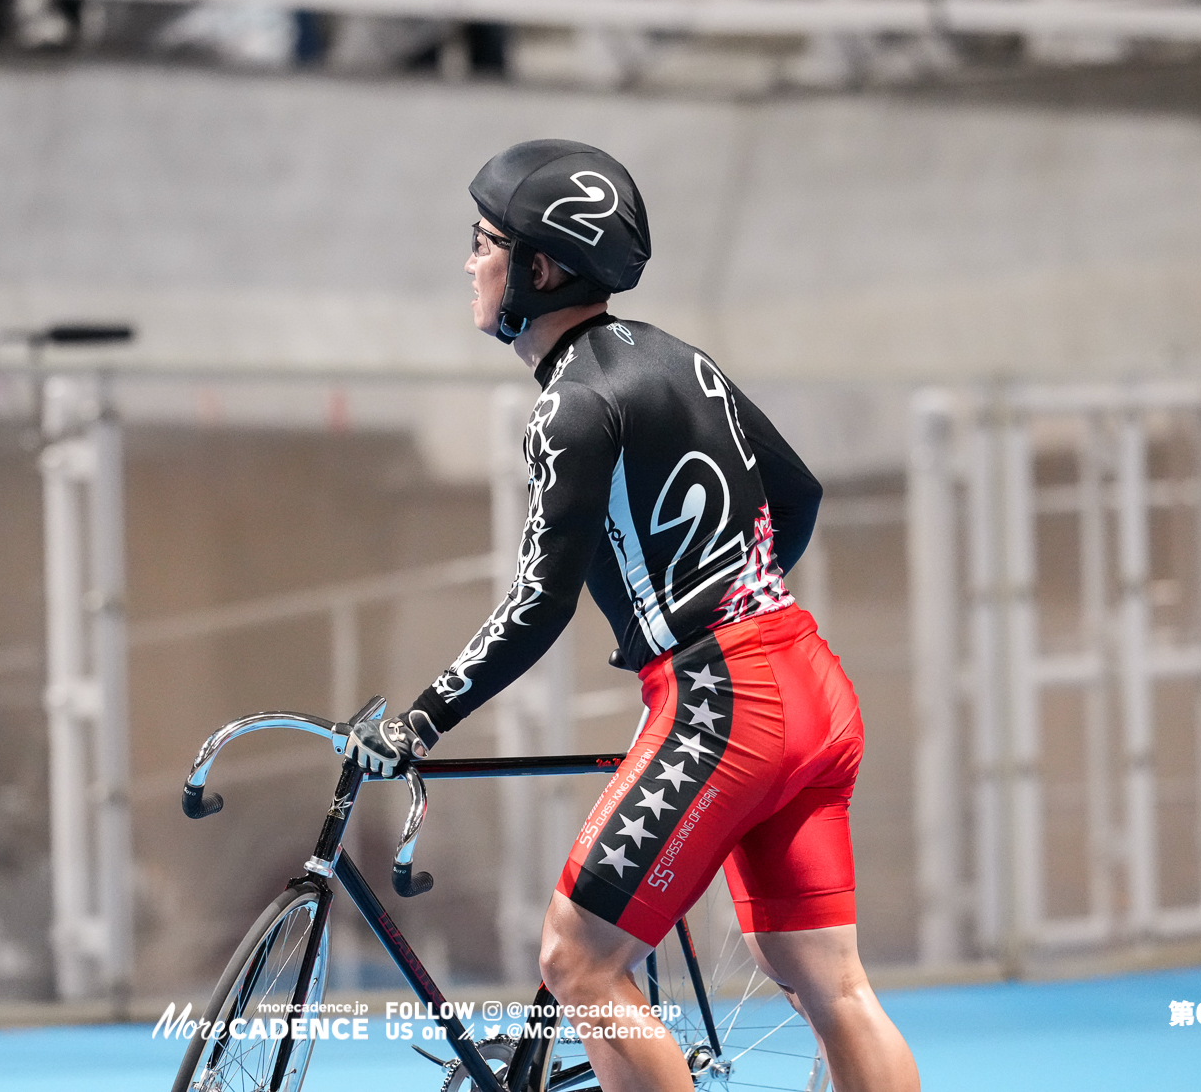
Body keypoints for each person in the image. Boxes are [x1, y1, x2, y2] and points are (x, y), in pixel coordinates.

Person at [340, 140, 919, 1092]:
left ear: (542, 266)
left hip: (726, 699)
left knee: (579, 960)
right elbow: (799, 495)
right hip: (807, 676)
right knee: (834, 984)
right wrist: (740, 601)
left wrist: (423, 717)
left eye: (484, 241)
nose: (468, 260)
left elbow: (538, 605)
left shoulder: (569, 404)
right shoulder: (676, 357)